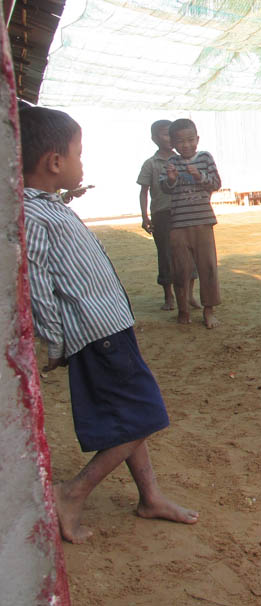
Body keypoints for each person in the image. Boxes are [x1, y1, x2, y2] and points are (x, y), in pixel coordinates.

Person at [20, 106, 199, 544]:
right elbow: (37, 282)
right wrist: (57, 342)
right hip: (95, 334)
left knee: (131, 414)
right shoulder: (31, 214)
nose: (83, 162)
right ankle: (72, 493)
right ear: (54, 162)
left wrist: (66, 197)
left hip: (110, 326)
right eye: (78, 154)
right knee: (146, 415)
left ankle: (149, 496)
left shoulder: (45, 204)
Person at [160, 118, 222, 328]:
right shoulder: (171, 162)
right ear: (173, 144)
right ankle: (183, 310)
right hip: (178, 224)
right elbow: (165, 188)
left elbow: (216, 183)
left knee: (208, 268)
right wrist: (170, 178)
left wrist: (200, 176)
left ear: (197, 139)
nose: (186, 145)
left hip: (203, 222)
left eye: (190, 140)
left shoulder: (205, 158)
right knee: (181, 270)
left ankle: (208, 311)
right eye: (180, 141)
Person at [137, 119, 197, 311]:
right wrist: (145, 217)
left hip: (184, 212)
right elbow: (144, 191)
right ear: (154, 138)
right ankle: (168, 296)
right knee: (165, 255)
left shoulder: (183, 160)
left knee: (190, 254)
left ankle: (189, 295)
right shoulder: (150, 164)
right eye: (164, 134)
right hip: (161, 215)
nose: (169, 138)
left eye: (171, 134)